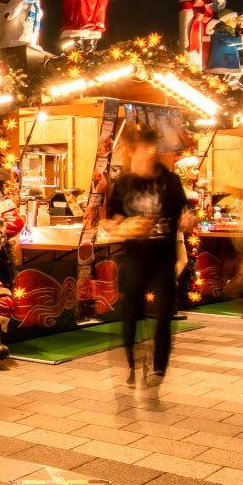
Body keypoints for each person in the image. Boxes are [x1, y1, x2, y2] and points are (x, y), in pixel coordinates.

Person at [103, 126, 192, 390]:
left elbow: (184, 214)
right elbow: (115, 218)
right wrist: (111, 225)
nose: (148, 154)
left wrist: (187, 221)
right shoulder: (124, 184)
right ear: (133, 151)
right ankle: (132, 363)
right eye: (143, 149)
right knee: (130, 312)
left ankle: (159, 368)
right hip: (134, 257)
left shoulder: (170, 181)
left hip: (163, 257)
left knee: (164, 314)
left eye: (151, 149)